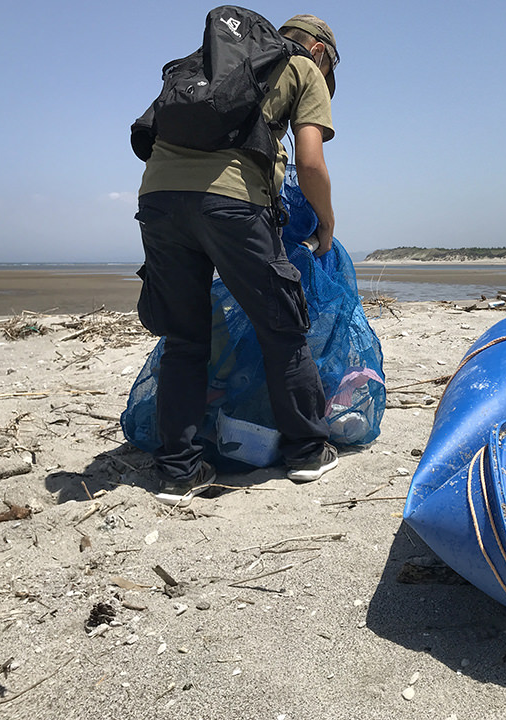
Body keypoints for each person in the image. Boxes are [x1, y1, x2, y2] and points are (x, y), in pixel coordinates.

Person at [133, 13, 340, 506]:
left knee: (185, 338)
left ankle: (178, 470)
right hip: (232, 201)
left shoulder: (204, 61)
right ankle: (308, 450)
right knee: (282, 328)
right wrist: (326, 223)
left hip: (159, 199)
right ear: (319, 52)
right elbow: (310, 162)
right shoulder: (302, 67)